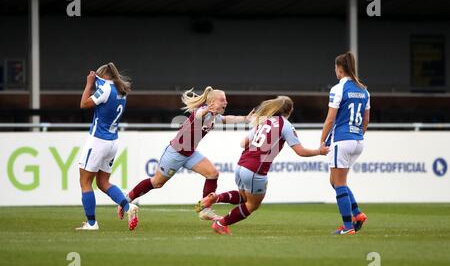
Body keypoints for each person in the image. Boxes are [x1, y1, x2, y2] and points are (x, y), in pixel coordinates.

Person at [195, 96, 329, 235]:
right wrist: (320, 151)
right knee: (252, 205)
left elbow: (243, 144)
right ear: (290, 111)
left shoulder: (263, 122)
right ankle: (221, 224)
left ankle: (216, 198)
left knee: (244, 197)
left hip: (241, 165)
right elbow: (300, 151)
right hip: (256, 169)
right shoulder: (285, 125)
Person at [117, 86, 254, 219]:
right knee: (157, 183)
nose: (226, 102)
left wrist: (245, 119)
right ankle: (125, 201)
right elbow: (199, 115)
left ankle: (204, 210)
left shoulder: (214, 116)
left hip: (190, 154)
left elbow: (228, 119)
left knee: (212, 174)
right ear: (212, 102)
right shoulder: (201, 112)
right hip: (175, 153)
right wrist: (206, 109)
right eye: (223, 100)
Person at [76, 62, 139, 231]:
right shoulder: (121, 91)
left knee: (85, 182)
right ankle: (128, 207)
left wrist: (89, 84)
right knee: (103, 182)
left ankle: (91, 223)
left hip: (98, 141)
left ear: (103, 76)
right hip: (113, 142)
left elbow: (83, 104)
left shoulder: (105, 90)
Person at [320, 52, 370, 235]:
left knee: (339, 183)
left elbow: (330, 119)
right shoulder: (364, 90)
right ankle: (357, 214)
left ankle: (348, 227)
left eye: (335, 68)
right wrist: (357, 135)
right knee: (335, 180)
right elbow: (366, 120)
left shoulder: (338, 89)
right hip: (357, 141)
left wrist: (321, 140)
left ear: (339, 69)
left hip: (342, 140)